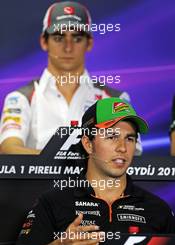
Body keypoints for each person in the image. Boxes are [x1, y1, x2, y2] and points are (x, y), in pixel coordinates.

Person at [9, 97, 175, 245]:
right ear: (88, 144)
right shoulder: (53, 203)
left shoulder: (158, 209)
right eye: (111, 137)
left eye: (129, 139)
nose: (123, 148)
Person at [0, 1, 142, 155]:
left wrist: (62, 161)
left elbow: (131, 153)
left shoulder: (116, 100)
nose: (68, 47)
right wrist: (69, 162)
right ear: (44, 42)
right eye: (59, 38)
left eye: (77, 38)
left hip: (98, 180)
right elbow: (8, 150)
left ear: (89, 43)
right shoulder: (20, 98)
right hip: (41, 180)